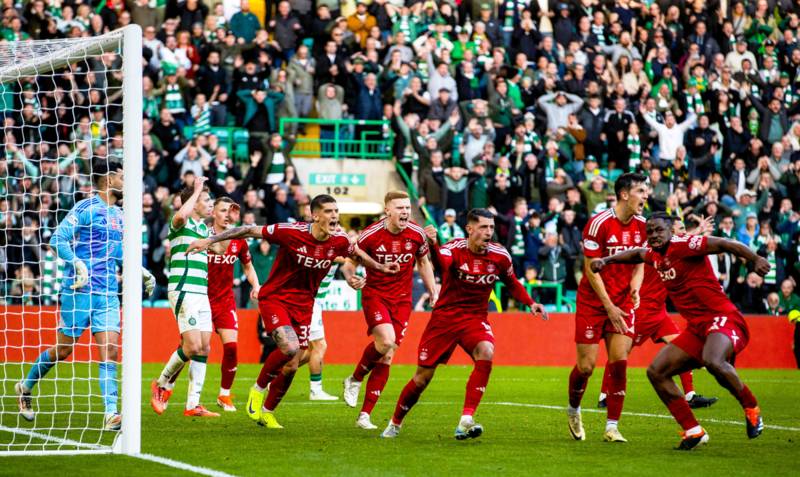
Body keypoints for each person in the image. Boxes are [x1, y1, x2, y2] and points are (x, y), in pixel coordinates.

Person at [185, 194, 399, 428]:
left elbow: (355, 255)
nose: (334, 216)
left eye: (336, 211)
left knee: (293, 363)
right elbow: (247, 229)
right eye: (328, 211)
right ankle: (257, 390)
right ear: (314, 215)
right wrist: (208, 241)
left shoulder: (339, 240)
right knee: (290, 348)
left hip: (305, 305)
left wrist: (377, 267)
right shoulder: (290, 231)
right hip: (275, 298)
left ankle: (268, 411)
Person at [591, 212, 771, 449]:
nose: (654, 235)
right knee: (656, 372)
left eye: (659, 230)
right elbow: (635, 253)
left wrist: (754, 258)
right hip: (697, 329)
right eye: (650, 232)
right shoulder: (654, 255)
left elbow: (727, 243)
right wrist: (606, 261)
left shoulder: (686, 244)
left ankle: (751, 407)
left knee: (713, 360)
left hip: (723, 318)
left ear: (671, 230)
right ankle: (693, 431)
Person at [380, 209, 547, 440]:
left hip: (475, 318)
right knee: (422, 378)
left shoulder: (500, 255)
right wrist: (434, 245)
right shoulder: (454, 249)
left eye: (491, 227)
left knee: (486, 351)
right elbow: (442, 264)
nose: (489, 232)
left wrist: (530, 302)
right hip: (444, 319)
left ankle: (466, 419)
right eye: (483, 227)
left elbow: (512, 282)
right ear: (470, 229)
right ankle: (395, 423)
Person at [16, 161, 155, 431]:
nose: (127, 182)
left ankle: (110, 413)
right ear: (109, 179)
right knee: (64, 349)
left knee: (110, 349)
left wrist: (140, 271)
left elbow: (118, 253)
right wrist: (77, 263)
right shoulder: (86, 208)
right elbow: (57, 240)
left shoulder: (121, 214)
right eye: (123, 177)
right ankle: (25, 386)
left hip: (107, 293)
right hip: (78, 290)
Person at [596, 217, 718, 410]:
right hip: (643, 310)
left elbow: (683, 244)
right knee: (620, 351)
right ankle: (605, 395)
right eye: (680, 229)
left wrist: (699, 232)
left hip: (659, 311)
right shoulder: (655, 248)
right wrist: (698, 233)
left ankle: (690, 395)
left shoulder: (670, 246)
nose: (683, 233)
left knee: (683, 348)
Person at [341, 191, 437, 430]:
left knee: (388, 354)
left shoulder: (416, 234)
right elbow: (349, 264)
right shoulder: (370, 235)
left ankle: (365, 415)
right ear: (388, 211)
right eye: (400, 208)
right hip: (375, 295)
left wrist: (433, 291)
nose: (405, 212)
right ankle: (354, 379)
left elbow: (424, 263)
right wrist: (352, 278)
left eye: (407, 207)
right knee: (386, 342)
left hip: (402, 301)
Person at [567, 172, 648, 443]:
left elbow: (639, 264)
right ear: (624, 194)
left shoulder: (643, 226)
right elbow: (591, 269)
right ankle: (573, 409)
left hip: (623, 303)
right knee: (587, 367)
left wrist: (635, 286)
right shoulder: (598, 223)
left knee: (619, 362)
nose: (645, 196)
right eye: (640, 191)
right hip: (594, 303)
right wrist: (608, 306)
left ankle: (612, 427)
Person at [150, 177, 220, 417]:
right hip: (184, 289)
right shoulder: (180, 222)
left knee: (204, 348)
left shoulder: (203, 229)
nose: (210, 204)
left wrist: (221, 229)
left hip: (201, 292)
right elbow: (180, 215)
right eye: (206, 200)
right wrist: (197, 189)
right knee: (191, 346)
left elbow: (219, 249)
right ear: (193, 202)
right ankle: (162, 384)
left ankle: (193, 404)